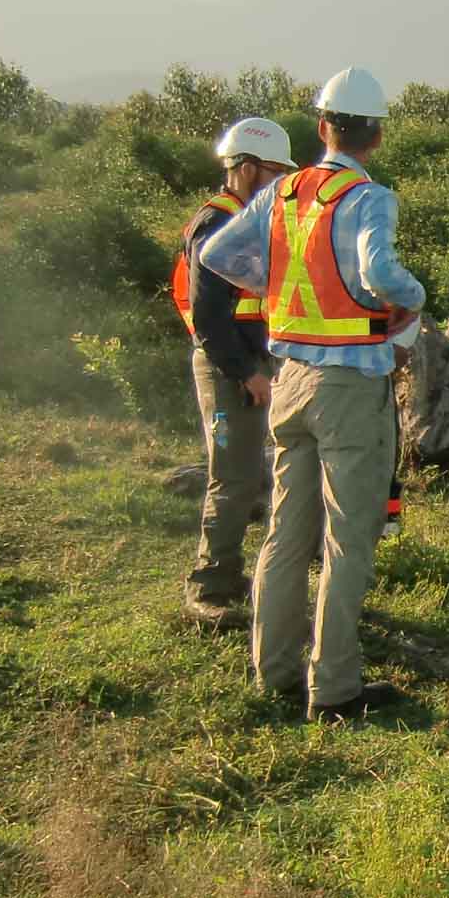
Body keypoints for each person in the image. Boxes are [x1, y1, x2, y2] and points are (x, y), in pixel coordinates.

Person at [199, 67, 425, 722]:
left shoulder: (284, 192)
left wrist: (275, 291)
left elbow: (217, 254)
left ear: (322, 127)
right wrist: (414, 298)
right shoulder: (369, 197)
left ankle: (272, 672)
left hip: (289, 377)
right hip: (349, 384)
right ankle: (333, 689)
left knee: (284, 534)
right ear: (376, 136)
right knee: (350, 538)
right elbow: (381, 272)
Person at [173, 116, 295, 628]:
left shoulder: (246, 218)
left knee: (250, 474)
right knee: (232, 478)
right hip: (228, 367)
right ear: (245, 169)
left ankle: (232, 572)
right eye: (272, 173)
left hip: (252, 363)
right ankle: (209, 587)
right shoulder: (216, 221)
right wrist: (246, 372)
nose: (278, 185)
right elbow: (209, 315)